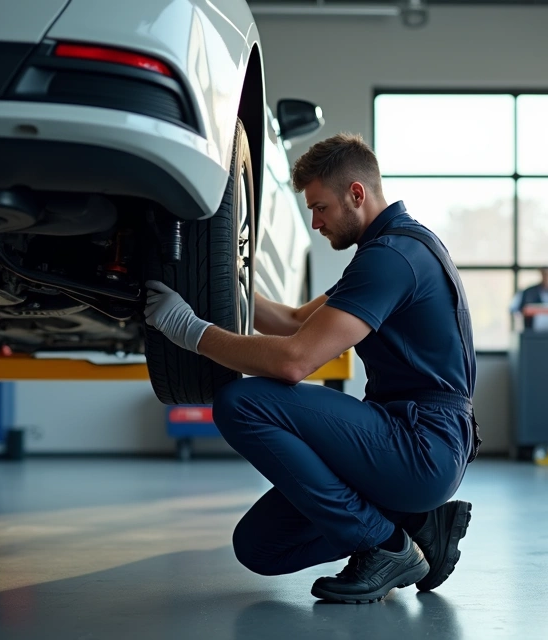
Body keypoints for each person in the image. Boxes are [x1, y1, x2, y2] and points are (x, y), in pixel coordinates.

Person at [143, 133, 477, 604]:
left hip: (421, 444)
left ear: (355, 194)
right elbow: (297, 320)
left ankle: (386, 545)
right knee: (260, 547)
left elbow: (295, 359)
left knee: (243, 402)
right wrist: (210, 287)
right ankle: (416, 525)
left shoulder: (392, 257)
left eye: (320, 207)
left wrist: (188, 328)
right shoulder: (391, 249)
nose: (315, 222)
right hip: (412, 441)